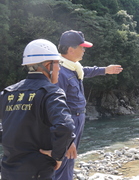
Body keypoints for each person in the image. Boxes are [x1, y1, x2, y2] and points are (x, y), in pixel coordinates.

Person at [0, 39, 75, 180]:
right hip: (38, 171)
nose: (60, 69)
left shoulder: (8, 93)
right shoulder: (52, 92)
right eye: (58, 63)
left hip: (8, 171)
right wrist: (57, 155)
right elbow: (65, 127)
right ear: (48, 65)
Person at [53, 30, 123, 180]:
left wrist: (105, 70)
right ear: (71, 50)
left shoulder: (72, 67)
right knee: (64, 158)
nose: (84, 50)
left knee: (70, 159)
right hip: (69, 121)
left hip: (78, 118)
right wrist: (66, 138)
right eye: (82, 47)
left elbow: (85, 71)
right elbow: (56, 108)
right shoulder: (60, 73)